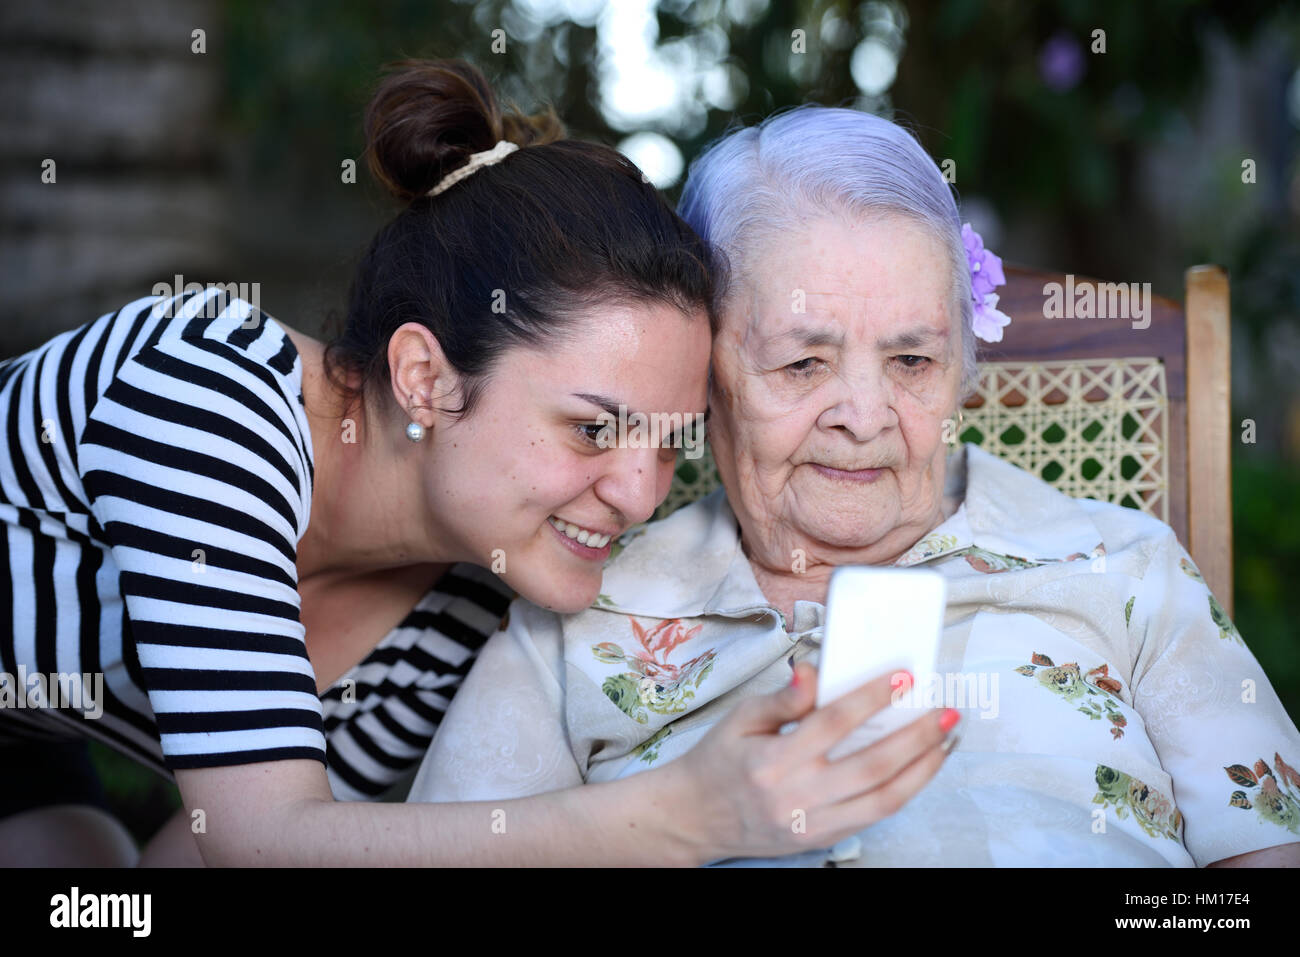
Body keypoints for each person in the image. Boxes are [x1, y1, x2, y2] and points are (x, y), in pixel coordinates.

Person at [0, 63, 939, 867]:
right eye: (591, 430)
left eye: (667, 441)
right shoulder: (206, 392)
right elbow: (261, 836)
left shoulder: (473, 597)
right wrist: (683, 815)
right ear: (423, 379)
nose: (640, 495)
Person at [408, 104, 1300, 867]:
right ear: (704, 370)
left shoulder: (1126, 570)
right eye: (804, 363)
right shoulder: (578, 619)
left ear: (963, 369)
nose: (865, 416)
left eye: (912, 359)